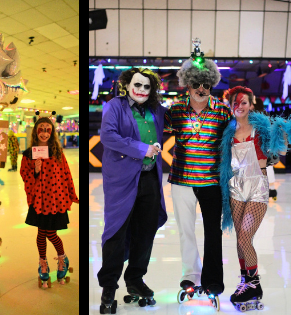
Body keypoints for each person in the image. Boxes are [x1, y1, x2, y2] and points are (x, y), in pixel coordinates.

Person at [217, 86, 291, 311]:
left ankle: (254, 284)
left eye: (243, 102)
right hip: (235, 186)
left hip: (257, 186)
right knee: (240, 241)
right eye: (235, 102)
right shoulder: (228, 131)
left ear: (251, 105)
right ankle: (245, 281)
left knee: (244, 238)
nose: (238, 106)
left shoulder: (262, 127)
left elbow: (284, 145)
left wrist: (282, 138)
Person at [98, 67, 168, 314]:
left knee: (145, 232)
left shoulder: (156, 109)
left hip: (149, 178)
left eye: (147, 87)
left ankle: (135, 279)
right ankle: (108, 286)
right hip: (122, 179)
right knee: (116, 232)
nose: (141, 90)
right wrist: (142, 148)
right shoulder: (115, 106)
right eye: (137, 85)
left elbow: (181, 121)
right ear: (127, 84)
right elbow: (108, 136)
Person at [165, 53, 231, 303]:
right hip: (181, 180)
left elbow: (233, 142)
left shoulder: (223, 112)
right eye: (196, 84)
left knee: (213, 232)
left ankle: (213, 279)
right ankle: (190, 276)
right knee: (185, 231)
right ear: (188, 84)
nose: (201, 89)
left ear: (212, 84)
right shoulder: (175, 111)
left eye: (206, 84)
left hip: (212, 182)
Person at [20, 116, 78, 288]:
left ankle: (62, 259)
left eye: (47, 129)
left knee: (50, 233)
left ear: (51, 132)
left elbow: (66, 174)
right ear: (35, 131)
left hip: (56, 198)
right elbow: (24, 175)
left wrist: (72, 194)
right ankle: (44, 262)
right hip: (39, 200)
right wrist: (36, 171)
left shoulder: (58, 153)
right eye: (41, 129)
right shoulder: (29, 154)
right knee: (42, 233)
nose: (44, 133)